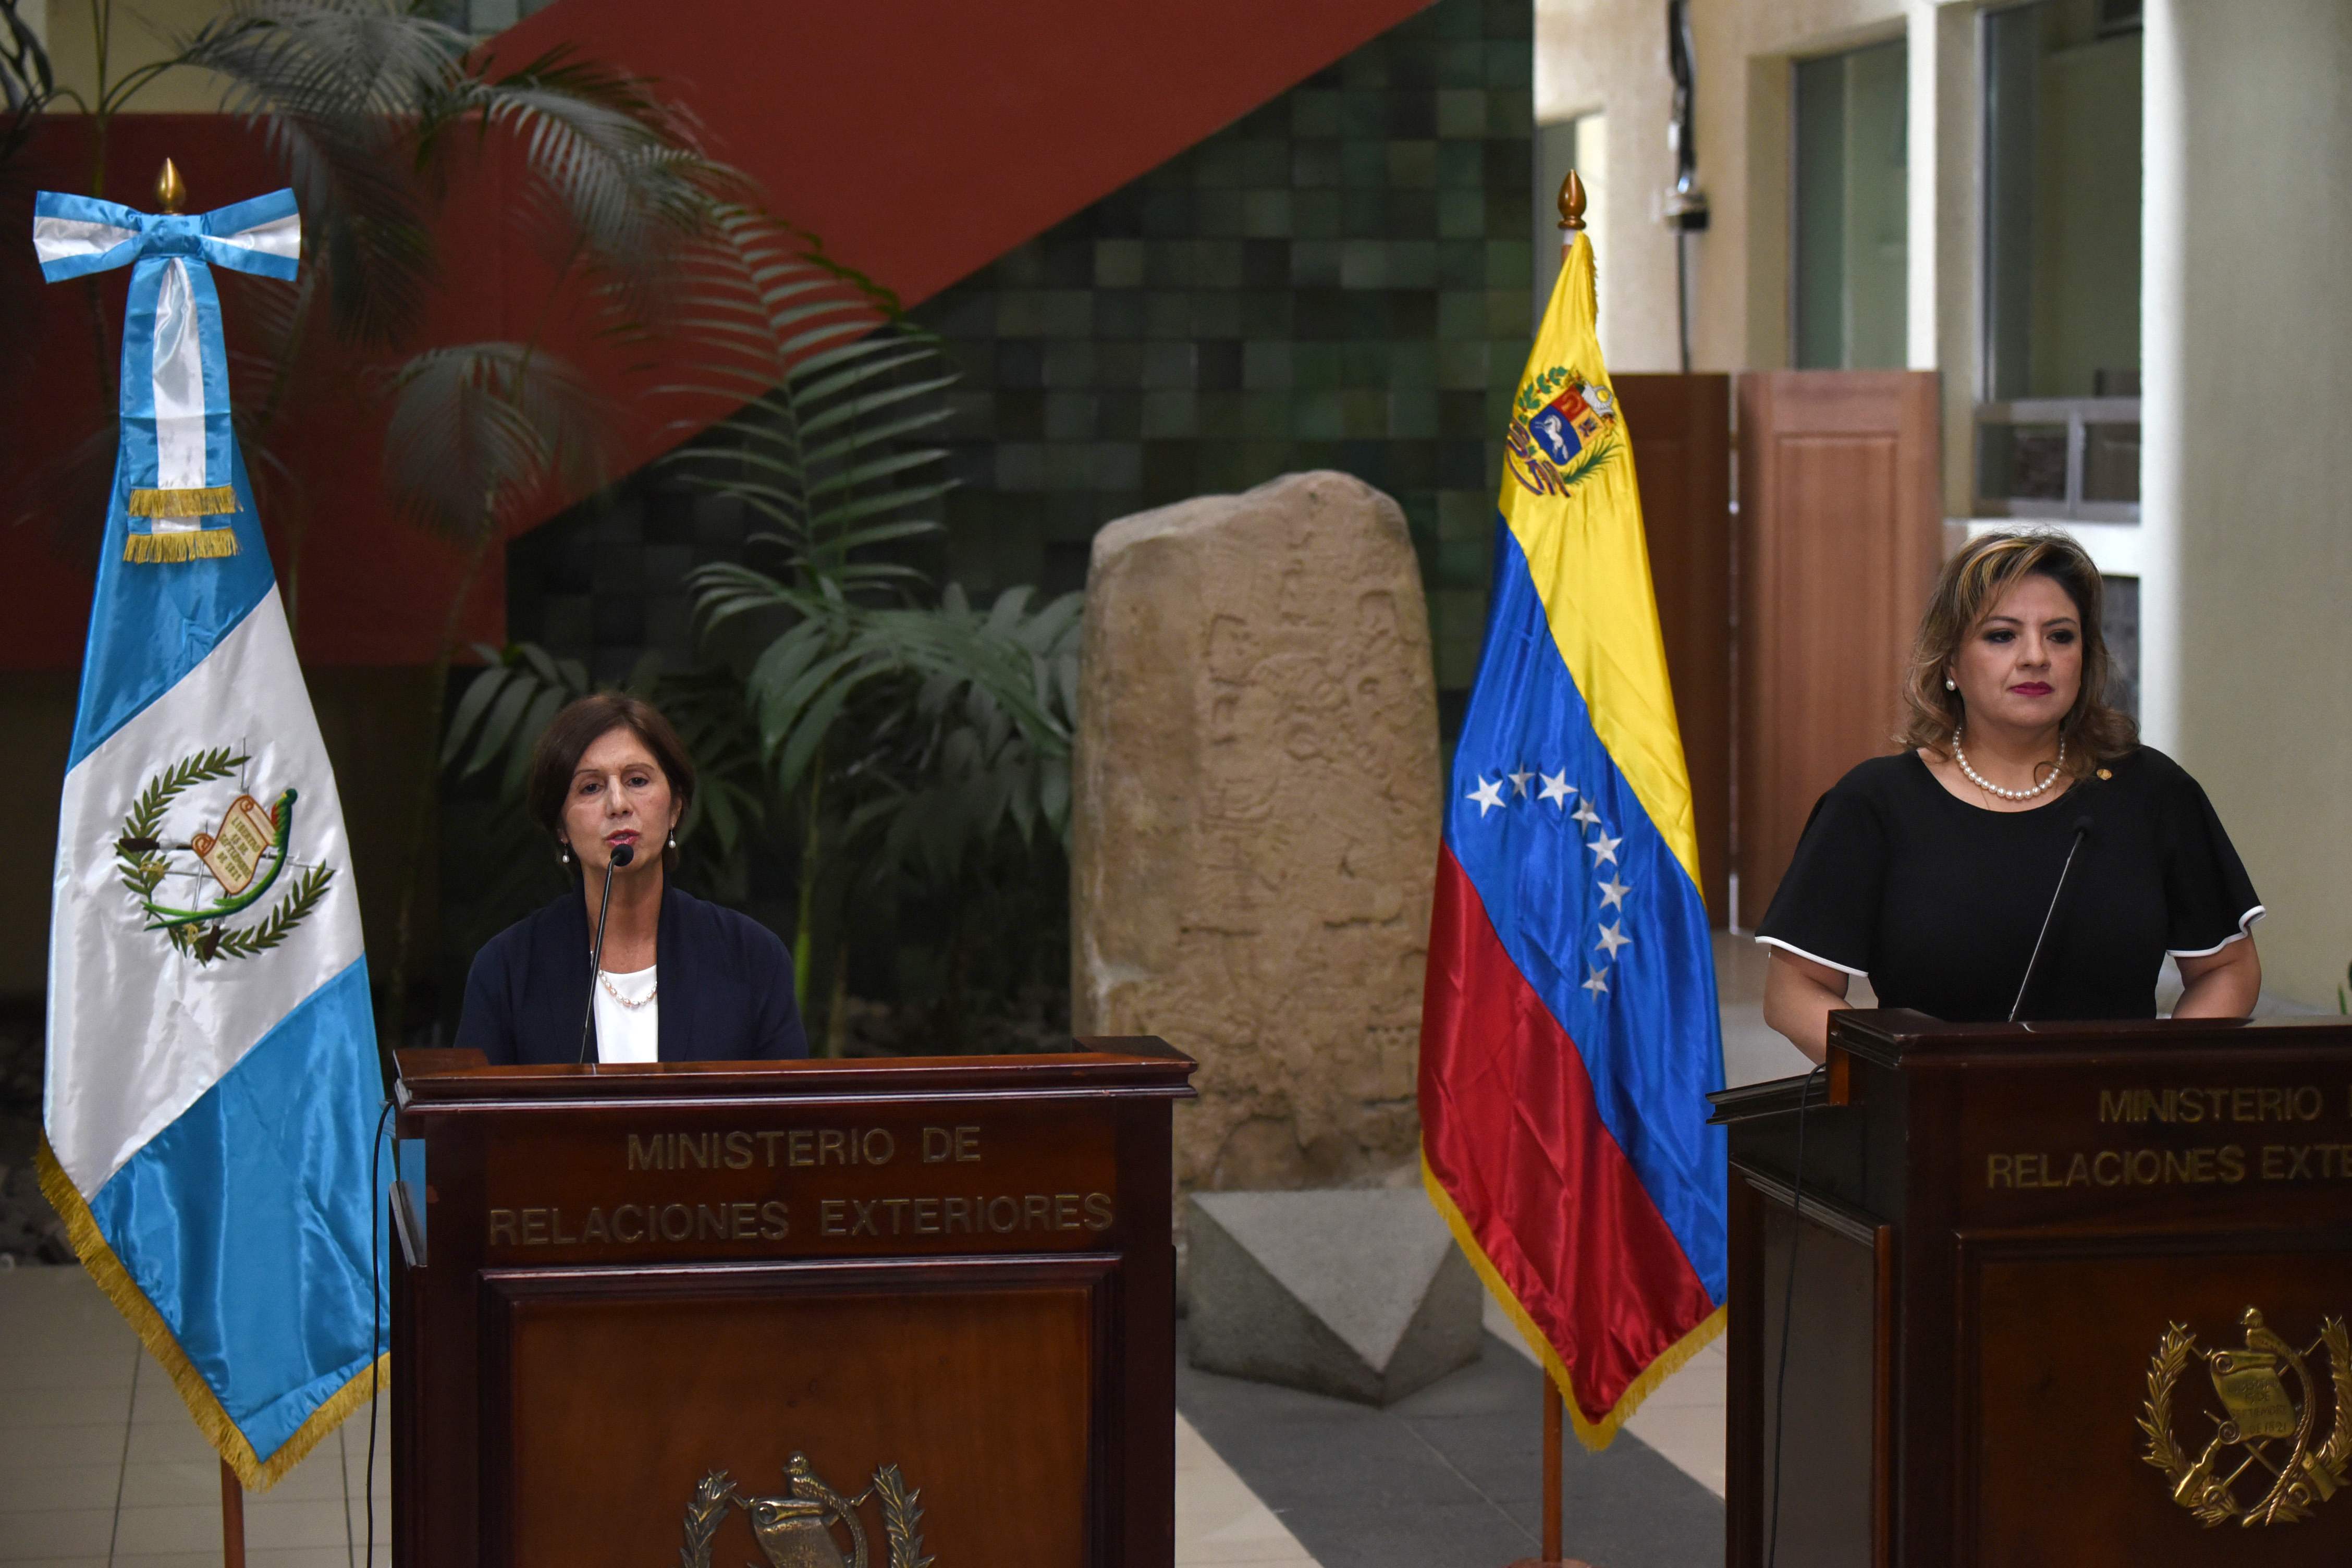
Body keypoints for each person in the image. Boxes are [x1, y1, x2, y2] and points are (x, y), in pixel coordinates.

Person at [1757, 530, 2262, 1061]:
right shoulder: (1875, 803)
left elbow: (2226, 968)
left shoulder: (2152, 792)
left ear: (2084, 658)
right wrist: (1908, 1079)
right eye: (2002, 635)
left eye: (2061, 636)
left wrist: (2159, 1079)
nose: (2035, 657)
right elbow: (1793, 995)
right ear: (1950, 662)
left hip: (2117, 1127)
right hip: (1939, 1123)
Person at [454, 693, 808, 1064]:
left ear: (675, 806)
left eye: (637, 780)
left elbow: (790, 1116)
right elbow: (473, 1118)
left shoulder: (751, 957)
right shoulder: (508, 969)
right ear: (561, 827)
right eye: (590, 787)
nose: (618, 804)